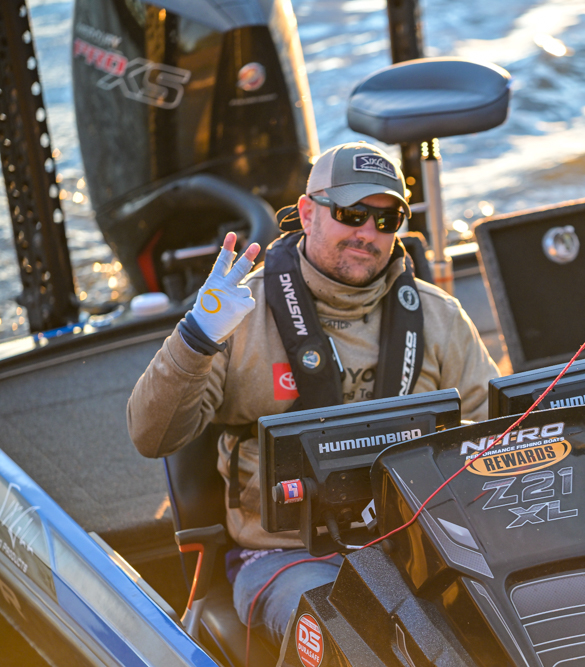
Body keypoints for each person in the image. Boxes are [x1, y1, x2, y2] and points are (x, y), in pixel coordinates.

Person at [127, 142, 500, 645]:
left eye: (386, 220)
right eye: (351, 214)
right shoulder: (237, 312)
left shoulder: (441, 316)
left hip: (420, 545)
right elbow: (150, 436)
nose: (367, 232)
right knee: (355, 638)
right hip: (283, 556)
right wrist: (196, 335)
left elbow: (498, 440)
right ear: (307, 213)